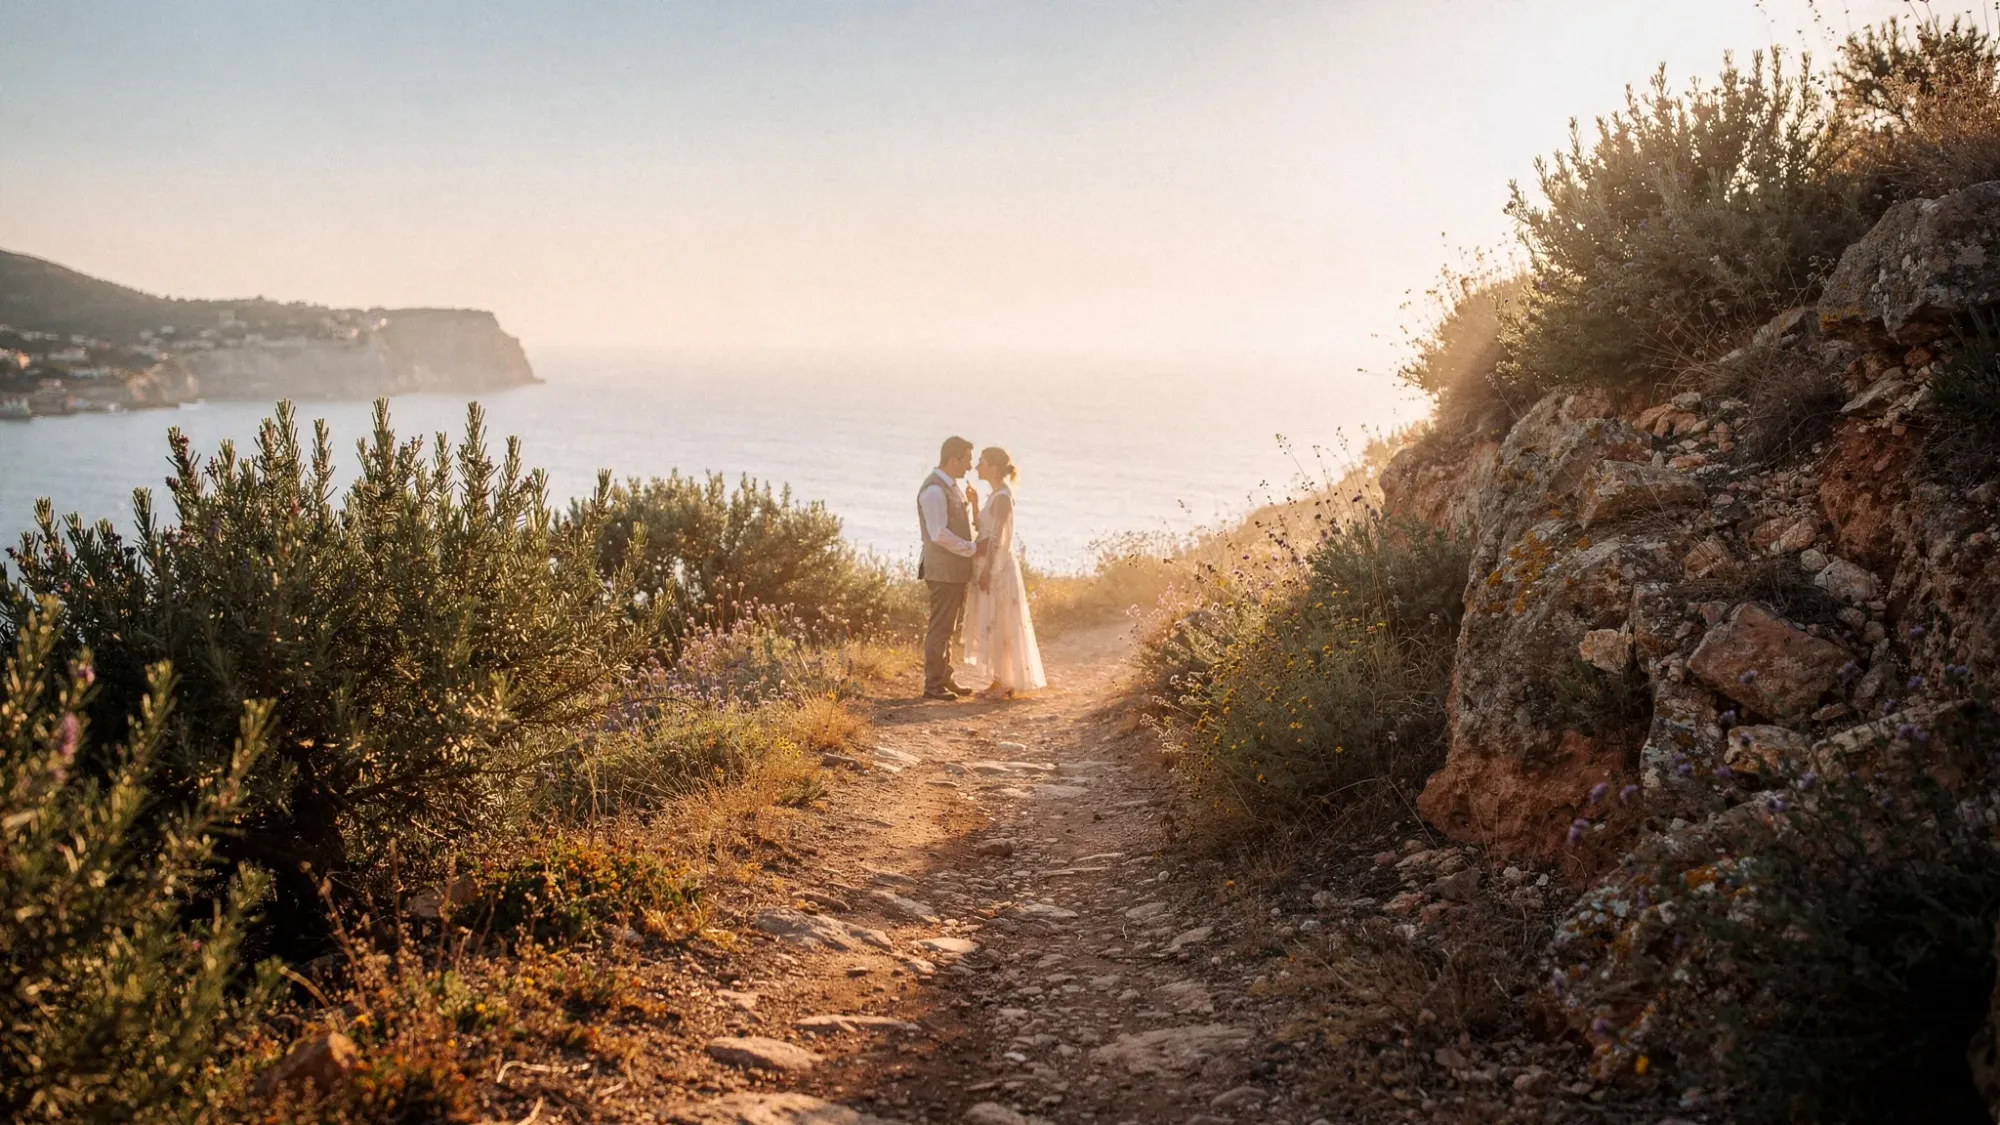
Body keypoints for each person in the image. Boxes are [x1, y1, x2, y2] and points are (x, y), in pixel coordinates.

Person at [963, 446, 1046, 699]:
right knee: (993, 621)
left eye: (982, 462)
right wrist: (976, 504)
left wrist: (988, 570)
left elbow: (998, 539)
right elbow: (983, 528)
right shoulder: (994, 495)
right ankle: (999, 679)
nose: (977, 466)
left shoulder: (1002, 497)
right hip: (991, 564)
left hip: (998, 567)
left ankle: (1004, 682)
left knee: (1000, 621)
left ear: (994, 468)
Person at [917, 436, 981, 700]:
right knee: (941, 627)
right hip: (942, 570)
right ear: (953, 459)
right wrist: (972, 549)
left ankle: (945, 677)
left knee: (948, 627)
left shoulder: (950, 486)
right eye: (966, 459)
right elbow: (938, 534)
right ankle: (933, 686)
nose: (969, 466)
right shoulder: (933, 490)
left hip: (953, 570)